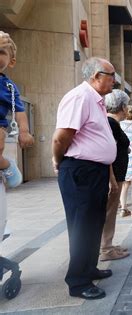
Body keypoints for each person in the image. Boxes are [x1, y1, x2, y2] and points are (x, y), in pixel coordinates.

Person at [52, 57, 117, 299]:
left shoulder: (96, 100)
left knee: (94, 222)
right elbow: (61, 137)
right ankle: (78, 282)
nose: (115, 80)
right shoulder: (80, 97)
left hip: (94, 171)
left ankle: (89, 268)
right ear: (95, 76)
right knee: (81, 226)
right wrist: (59, 161)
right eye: (110, 74)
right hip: (81, 170)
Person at [0, 31, 34, 261]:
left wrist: (24, 131)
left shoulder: (8, 86)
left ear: (11, 61)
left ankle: (7, 166)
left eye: (1, 52)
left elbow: (20, 111)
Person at [100, 89, 131, 262]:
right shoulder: (111, 123)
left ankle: (108, 245)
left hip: (116, 174)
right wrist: (112, 179)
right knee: (110, 212)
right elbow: (107, 152)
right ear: (122, 107)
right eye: (126, 105)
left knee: (110, 211)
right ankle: (106, 249)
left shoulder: (111, 123)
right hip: (114, 175)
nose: (128, 109)